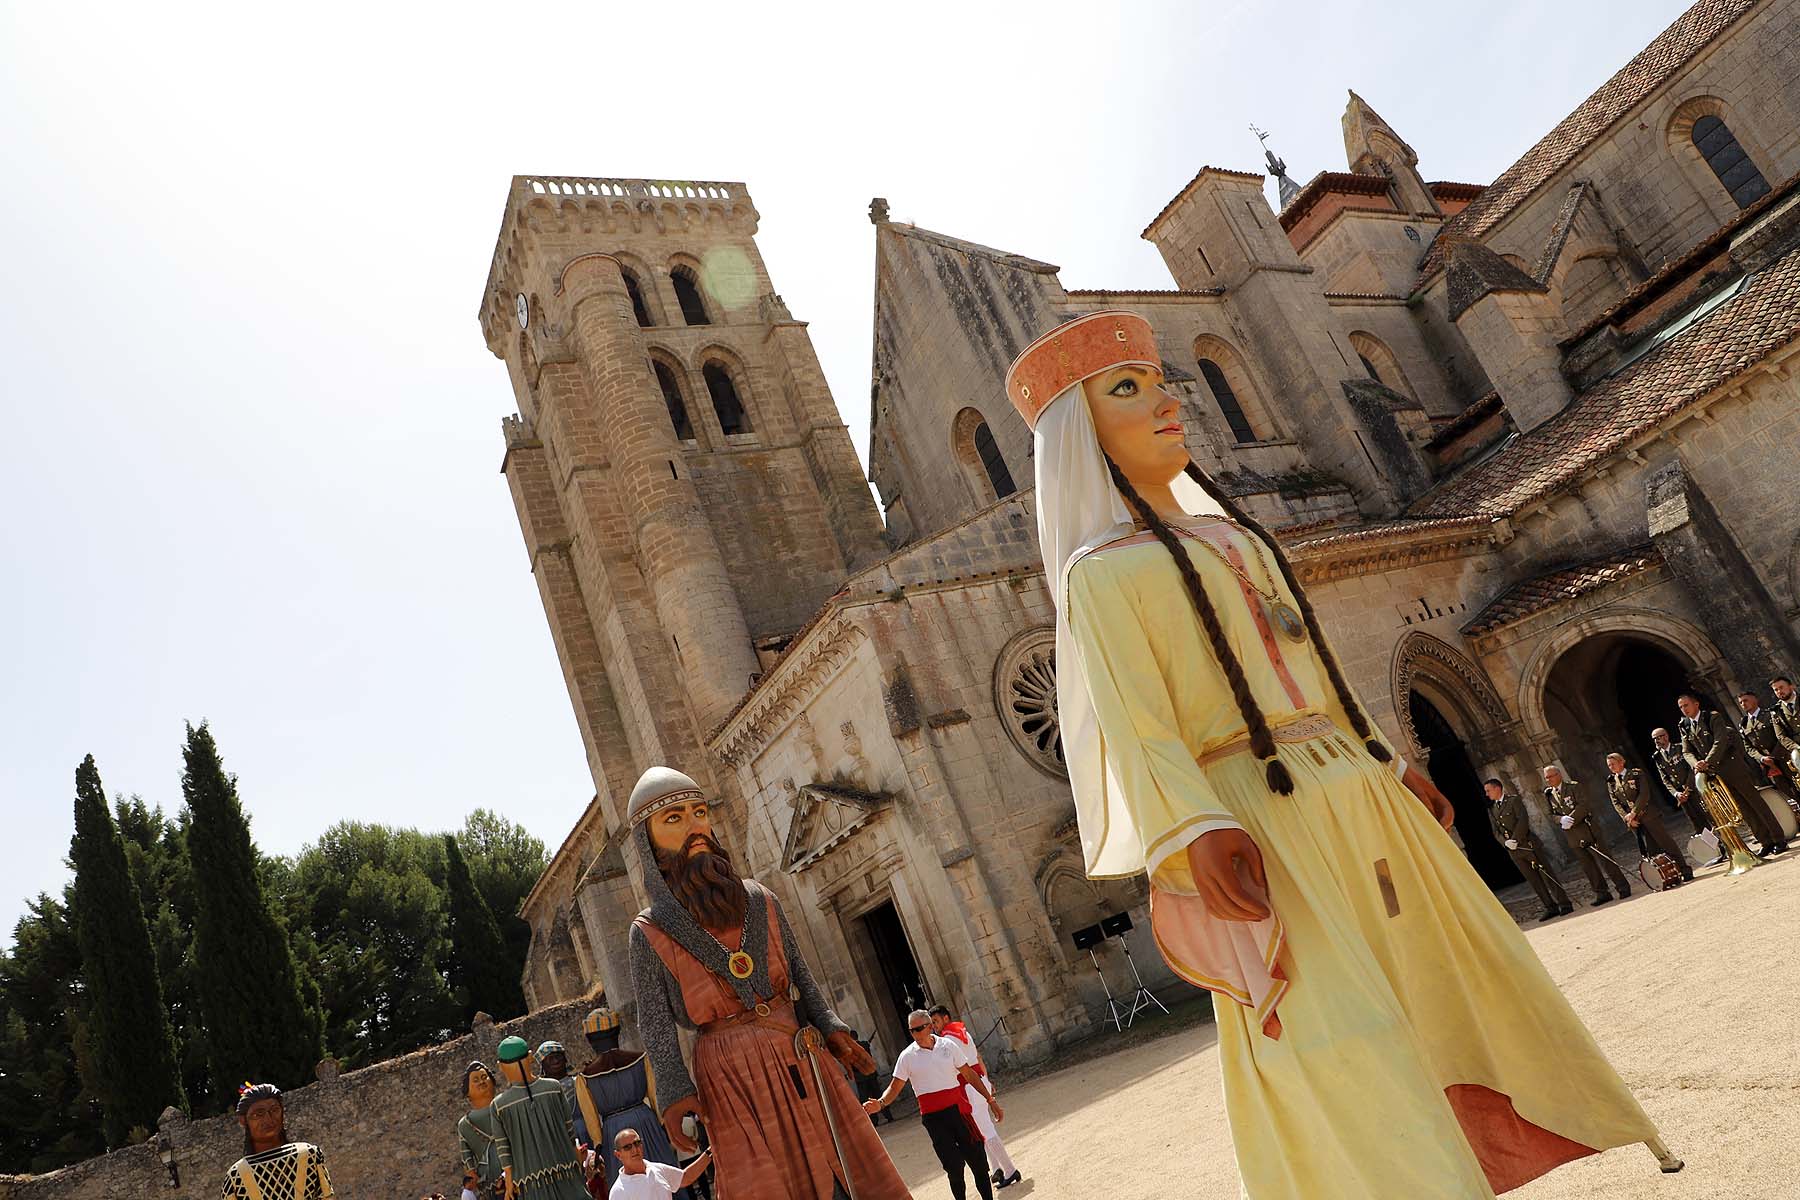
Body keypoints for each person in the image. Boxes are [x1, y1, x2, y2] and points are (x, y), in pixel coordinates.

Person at [1009, 309, 1678, 1196]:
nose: (1168, 401)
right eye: (1128, 391)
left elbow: (1313, 669)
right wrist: (1193, 825)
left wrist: (1388, 758)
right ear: (1078, 439)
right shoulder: (1102, 573)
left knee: (1451, 982)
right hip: (1261, 816)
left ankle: (1493, 1156)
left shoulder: (1243, 536)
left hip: (1355, 791)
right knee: (1338, 1026)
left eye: (1162, 381)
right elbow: (1142, 725)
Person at [625, 766, 911, 1200]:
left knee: (847, 1175)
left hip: (799, 1050)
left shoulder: (761, 900)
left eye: (700, 812)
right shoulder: (648, 932)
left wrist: (830, 1026)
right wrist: (673, 1088)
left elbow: (801, 976)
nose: (695, 826)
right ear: (649, 842)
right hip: (730, 1075)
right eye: (674, 818)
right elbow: (655, 1023)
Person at [863, 1010, 1000, 1200]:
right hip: (934, 1119)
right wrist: (881, 1103)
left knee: (978, 1161)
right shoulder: (907, 1056)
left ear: (929, 1027)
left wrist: (990, 1100)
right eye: (912, 1030)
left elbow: (969, 1074)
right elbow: (895, 1086)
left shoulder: (948, 1045)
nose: (915, 1034)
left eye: (919, 1029)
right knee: (954, 1167)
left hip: (959, 1112)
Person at [567, 1002, 688, 1199]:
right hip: (646, 1123)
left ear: (590, 1040)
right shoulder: (640, 1059)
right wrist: (663, 1125)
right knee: (662, 1174)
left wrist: (598, 1146)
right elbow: (655, 1097)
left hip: (613, 1131)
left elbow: (592, 1119)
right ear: (617, 1032)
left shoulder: (584, 1077)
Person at [1678, 691, 1788, 856]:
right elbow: (1687, 751)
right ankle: (1765, 841)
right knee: (1743, 809)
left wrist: (1707, 761)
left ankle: (1778, 839)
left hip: (1732, 768)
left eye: (1686, 705)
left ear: (1696, 704)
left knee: (1756, 803)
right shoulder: (1684, 725)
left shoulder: (1712, 717)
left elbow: (1719, 741)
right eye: (1680, 707)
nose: (1683, 709)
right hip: (1715, 774)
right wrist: (1696, 764)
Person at [928, 1004, 1020, 1188]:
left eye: (936, 1021)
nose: (934, 1026)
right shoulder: (963, 1031)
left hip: (969, 1085)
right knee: (981, 1129)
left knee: (984, 1131)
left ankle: (1009, 1170)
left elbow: (953, 1067)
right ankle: (996, 1169)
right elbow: (977, 1057)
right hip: (978, 1081)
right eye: (932, 1023)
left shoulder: (945, 1040)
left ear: (946, 1018)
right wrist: (985, 1080)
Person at [491, 1034, 590, 1199]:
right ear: (530, 1057)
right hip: (567, 1174)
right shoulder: (554, 1087)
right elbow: (570, 1132)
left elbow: (503, 1150)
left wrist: (509, 1182)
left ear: (500, 1066)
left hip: (530, 1185)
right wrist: (578, 1164)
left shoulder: (499, 1105)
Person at [224, 1082, 335, 1199]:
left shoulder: (310, 1155)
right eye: (258, 1114)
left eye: (274, 1110)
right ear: (243, 1120)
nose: (268, 1119)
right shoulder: (236, 1177)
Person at [1483, 778, 1571, 920]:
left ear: (1497, 788)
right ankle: (1550, 907)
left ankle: (1564, 903)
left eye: (1488, 790)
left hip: (1528, 845)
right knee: (1533, 880)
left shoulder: (1513, 801)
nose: (1486, 794)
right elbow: (1496, 831)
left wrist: (1515, 839)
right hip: (1514, 851)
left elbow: (1523, 820)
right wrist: (1506, 843)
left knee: (1546, 875)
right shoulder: (1492, 809)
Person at [1543, 765, 1632, 904]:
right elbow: (1550, 814)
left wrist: (1571, 818)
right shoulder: (1549, 794)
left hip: (1587, 829)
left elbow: (1584, 805)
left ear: (1558, 774)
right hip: (1572, 835)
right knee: (1588, 866)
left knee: (1605, 860)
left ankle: (1622, 887)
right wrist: (1560, 819)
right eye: (1546, 778)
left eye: (1550, 776)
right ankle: (1602, 893)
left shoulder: (1573, 787)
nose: (1548, 780)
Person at [1604, 754, 1692, 883]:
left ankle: (1684, 869)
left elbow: (1644, 794)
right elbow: (1616, 803)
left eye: (1613, 764)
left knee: (1666, 843)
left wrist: (1634, 812)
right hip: (1634, 822)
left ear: (1622, 762)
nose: (1611, 767)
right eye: (1609, 765)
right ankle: (1666, 876)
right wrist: (1627, 818)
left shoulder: (1636, 774)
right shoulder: (1611, 782)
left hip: (1648, 816)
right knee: (1650, 850)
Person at [1650, 726, 1718, 854]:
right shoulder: (1657, 757)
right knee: (1698, 824)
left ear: (1665, 736)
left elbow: (1691, 769)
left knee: (1710, 817)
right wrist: (1677, 794)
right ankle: (1716, 850)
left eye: (1658, 738)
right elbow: (1665, 779)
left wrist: (1687, 789)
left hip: (1695, 790)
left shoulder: (1681, 748)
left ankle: (1727, 844)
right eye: (1654, 739)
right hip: (1682, 796)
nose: (1656, 741)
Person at [609, 1127, 712, 1200]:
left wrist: (711, 1151)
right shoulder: (618, 1192)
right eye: (627, 1147)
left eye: (637, 1143)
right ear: (618, 1155)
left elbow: (685, 1177)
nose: (634, 1149)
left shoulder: (656, 1169)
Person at [1738, 690, 1799, 802]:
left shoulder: (1769, 715)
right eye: (1741, 702)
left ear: (1755, 700)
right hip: (1768, 765)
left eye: (1745, 700)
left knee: (1797, 786)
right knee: (1787, 795)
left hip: (1784, 759)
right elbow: (1748, 747)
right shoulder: (1744, 724)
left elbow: (1781, 736)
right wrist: (1762, 758)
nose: (1743, 704)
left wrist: (1773, 757)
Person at [457, 1061, 505, 1200]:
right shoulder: (464, 1124)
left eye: (484, 1077)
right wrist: (472, 1173)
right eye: (475, 1080)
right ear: (467, 1092)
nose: (481, 1082)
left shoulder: (505, 1106)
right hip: (489, 1177)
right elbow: (466, 1156)